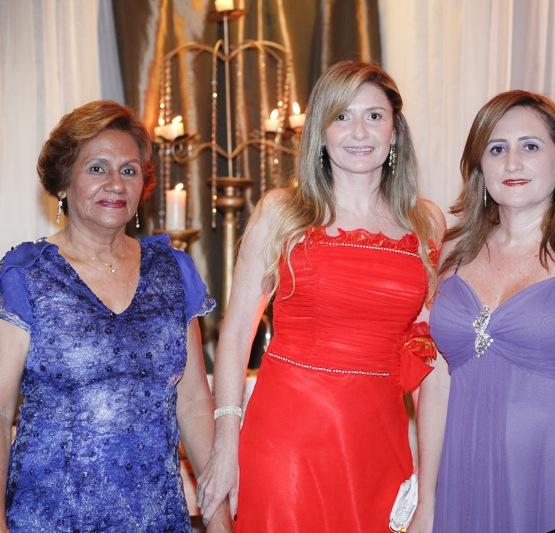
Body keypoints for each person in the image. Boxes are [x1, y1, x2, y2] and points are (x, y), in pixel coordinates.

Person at [196, 61, 445, 531]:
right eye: (342, 116)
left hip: (379, 442)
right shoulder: (282, 212)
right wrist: (226, 441)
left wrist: (430, 483)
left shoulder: (426, 223)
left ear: (394, 131)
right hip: (287, 440)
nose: (359, 132)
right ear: (321, 133)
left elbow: (429, 355)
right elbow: (237, 331)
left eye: (374, 116)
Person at [410, 90, 555, 533]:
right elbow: (436, 383)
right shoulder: (451, 253)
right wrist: (428, 499)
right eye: (497, 149)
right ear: (480, 168)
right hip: (464, 476)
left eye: (530, 146)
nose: (512, 163)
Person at [0, 100, 229, 531]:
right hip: (48, 519)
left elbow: (194, 404)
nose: (116, 183)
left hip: (155, 518)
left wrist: (219, 519)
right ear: (63, 181)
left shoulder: (172, 272)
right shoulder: (26, 275)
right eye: (97, 168)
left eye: (129, 170)